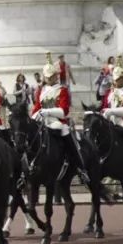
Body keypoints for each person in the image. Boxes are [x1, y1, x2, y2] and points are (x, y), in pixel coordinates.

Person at [32, 51, 91, 186]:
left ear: (56, 76)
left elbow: (64, 111)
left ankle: (80, 167)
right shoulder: (42, 90)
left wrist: (46, 111)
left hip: (58, 121)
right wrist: (36, 116)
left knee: (67, 136)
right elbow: (36, 108)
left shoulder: (62, 89)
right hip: (43, 121)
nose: (50, 79)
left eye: (52, 76)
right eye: (47, 77)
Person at [101, 56, 123, 133]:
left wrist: (111, 111)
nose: (116, 81)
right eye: (115, 79)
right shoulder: (110, 93)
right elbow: (104, 107)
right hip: (110, 124)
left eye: (118, 79)